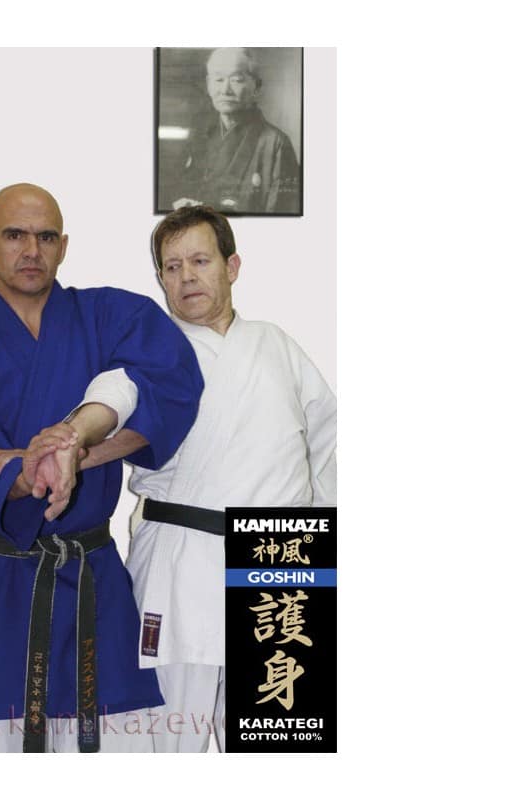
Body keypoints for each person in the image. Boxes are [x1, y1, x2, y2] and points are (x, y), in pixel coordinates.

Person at [0, 183, 203, 753]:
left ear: (64, 246)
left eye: (46, 236)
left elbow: (171, 383)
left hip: (92, 580)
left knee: (118, 742)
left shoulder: (110, 316)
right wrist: (32, 471)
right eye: (14, 235)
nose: (32, 249)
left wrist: (80, 450)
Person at [121, 205, 335, 751]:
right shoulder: (148, 356)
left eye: (200, 261)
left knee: (279, 742)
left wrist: (321, 538)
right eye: (172, 267)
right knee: (168, 738)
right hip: (179, 557)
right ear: (160, 278)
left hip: (279, 557)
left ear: (231, 266)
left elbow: (331, 442)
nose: (186, 277)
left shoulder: (276, 345)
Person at [172, 47, 300, 214]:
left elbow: (281, 216)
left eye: (237, 80)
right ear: (208, 85)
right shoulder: (199, 136)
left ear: (256, 87)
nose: (225, 90)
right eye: (218, 80)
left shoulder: (276, 143)